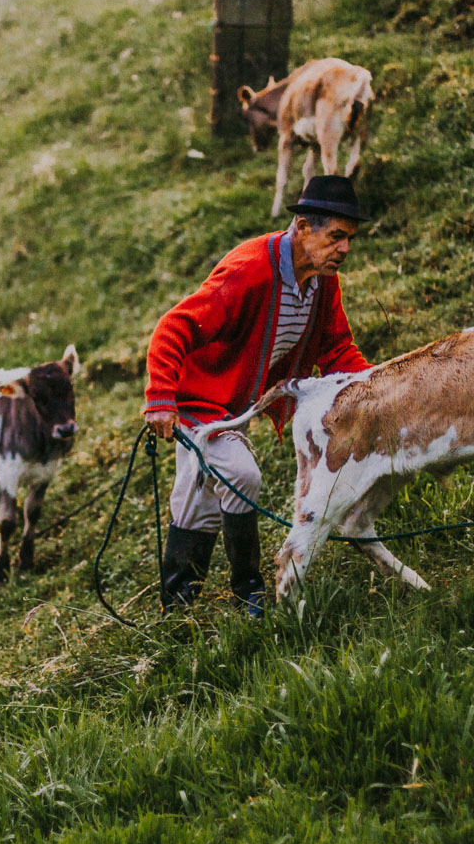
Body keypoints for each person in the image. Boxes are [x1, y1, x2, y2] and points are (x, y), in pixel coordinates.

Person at [143, 174, 373, 615]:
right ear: (304, 228)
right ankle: (250, 591)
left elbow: (336, 347)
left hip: (236, 404)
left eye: (349, 239)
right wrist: (160, 399)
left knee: (199, 498)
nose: (344, 249)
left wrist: (378, 388)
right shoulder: (250, 270)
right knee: (240, 475)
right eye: (336, 236)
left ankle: (177, 606)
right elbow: (174, 326)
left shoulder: (321, 281)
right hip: (198, 400)